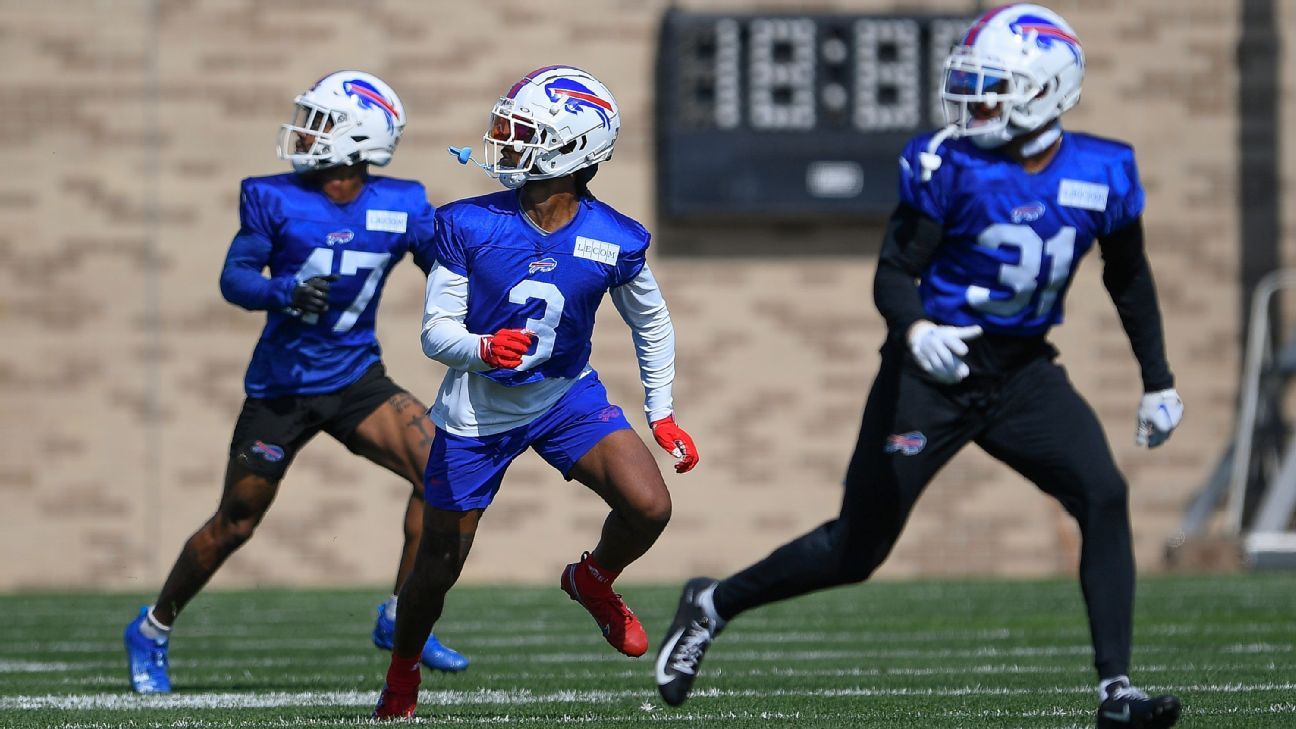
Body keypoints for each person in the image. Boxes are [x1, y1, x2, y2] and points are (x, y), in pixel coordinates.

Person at [655, 6, 1183, 729]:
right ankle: (713, 602)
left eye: (993, 90)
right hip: (931, 373)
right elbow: (894, 272)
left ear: (1048, 90)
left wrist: (1158, 378)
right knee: (856, 548)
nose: (973, 106)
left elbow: (1130, 278)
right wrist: (916, 327)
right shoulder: (948, 163)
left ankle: (1115, 689)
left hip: (1024, 371)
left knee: (1103, 494)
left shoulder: (1104, 169)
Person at [123, 71, 469, 694]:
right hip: (282, 387)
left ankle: (399, 616)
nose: (305, 131)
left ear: (360, 135)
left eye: (321, 121)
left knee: (442, 474)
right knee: (236, 521)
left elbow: (448, 267)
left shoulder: (405, 202)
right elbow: (235, 278)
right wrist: (280, 289)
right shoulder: (272, 196)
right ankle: (151, 627)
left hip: (357, 377)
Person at [371, 65, 698, 720]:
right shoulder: (467, 224)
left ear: (573, 150)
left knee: (650, 505)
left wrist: (660, 411)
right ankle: (402, 671)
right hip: (477, 409)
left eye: (525, 132)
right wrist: (484, 348)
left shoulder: (615, 237)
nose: (505, 141)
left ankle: (592, 577)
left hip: (562, 396)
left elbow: (653, 322)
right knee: (436, 565)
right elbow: (436, 333)